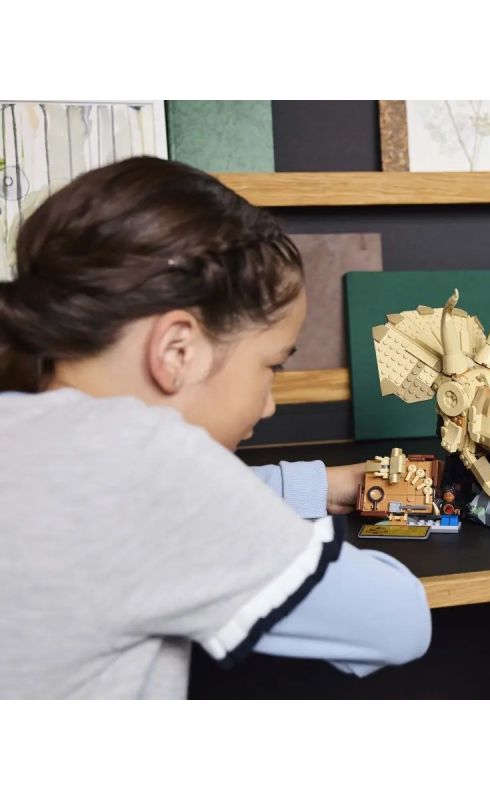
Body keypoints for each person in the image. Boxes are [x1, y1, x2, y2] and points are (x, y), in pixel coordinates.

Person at [0, 156, 431, 699]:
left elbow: (144, 518)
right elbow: (398, 623)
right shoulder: (147, 465)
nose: (269, 405)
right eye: (271, 366)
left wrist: (313, 486)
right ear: (177, 350)